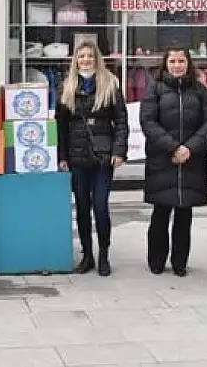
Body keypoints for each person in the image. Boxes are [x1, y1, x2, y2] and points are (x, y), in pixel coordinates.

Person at [140, 47, 207, 277]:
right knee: (160, 214)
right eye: (172, 61)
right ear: (165, 64)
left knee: (184, 216)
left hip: (192, 161)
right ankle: (156, 260)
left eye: (181, 60)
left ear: (188, 63)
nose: (177, 65)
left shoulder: (200, 91)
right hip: (162, 160)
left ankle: (180, 262)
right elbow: (148, 122)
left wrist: (189, 148)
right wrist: (173, 147)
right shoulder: (155, 89)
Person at [55, 41, 128, 276]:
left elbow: (121, 122)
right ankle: (87, 256)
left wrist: (119, 151)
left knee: (100, 205)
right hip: (76, 157)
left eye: (89, 56)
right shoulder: (67, 86)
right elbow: (60, 126)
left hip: (102, 156)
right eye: (81, 56)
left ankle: (104, 254)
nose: (85, 60)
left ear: (97, 58)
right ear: (75, 60)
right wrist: (62, 156)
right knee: (83, 207)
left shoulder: (110, 84)